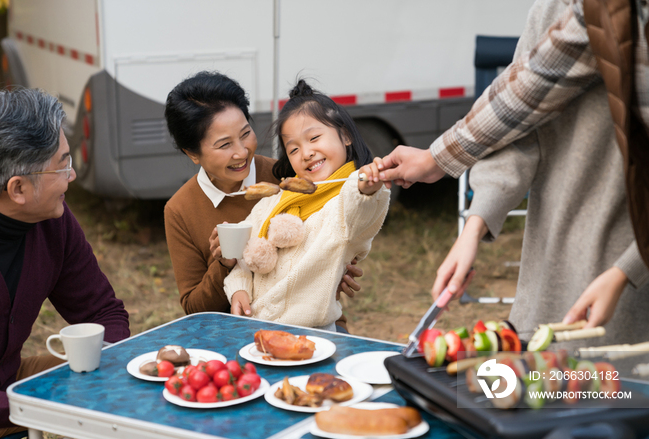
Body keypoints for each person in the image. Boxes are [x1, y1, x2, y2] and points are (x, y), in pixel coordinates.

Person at [371, 0, 649, 329]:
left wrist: (626, 270)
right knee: (549, 374)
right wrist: (473, 222)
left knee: (614, 377)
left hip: (633, 262)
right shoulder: (560, 8)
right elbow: (519, 113)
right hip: (554, 258)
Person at [0, 88, 162, 439]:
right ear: (18, 189)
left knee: (134, 382)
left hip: (7, 384)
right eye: (62, 165)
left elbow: (104, 312)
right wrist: (34, 404)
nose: (73, 174)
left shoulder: (51, 221)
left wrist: (102, 368)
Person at [163, 71, 361, 332]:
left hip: (313, 325)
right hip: (236, 335)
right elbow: (194, 308)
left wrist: (336, 268)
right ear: (193, 154)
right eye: (224, 145)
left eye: (246, 133)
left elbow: (330, 235)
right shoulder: (181, 210)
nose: (241, 151)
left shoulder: (288, 174)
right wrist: (224, 263)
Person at [224, 80, 390, 330]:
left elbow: (362, 213)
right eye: (293, 149)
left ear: (345, 135)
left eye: (314, 138)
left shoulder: (344, 207)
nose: (306, 153)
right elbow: (244, 262)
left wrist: (366, 186)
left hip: (314, 334)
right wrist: (239, 291)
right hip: (255, 329)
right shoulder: (271, 204)